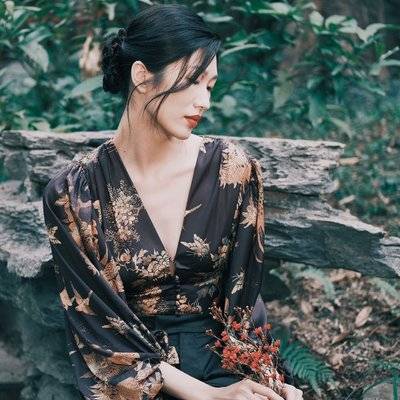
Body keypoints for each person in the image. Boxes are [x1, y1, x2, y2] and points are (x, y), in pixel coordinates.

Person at [42, 3, 302, 400]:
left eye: (210, 87)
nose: (205, 102)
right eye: (194, 81)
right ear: (142, 76)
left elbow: (244, 301)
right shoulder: (74, 193)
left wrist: (267, 381)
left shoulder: (231, 170)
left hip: (224, 366)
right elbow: (98, 333)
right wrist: (209, 397)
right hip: (136, 380)